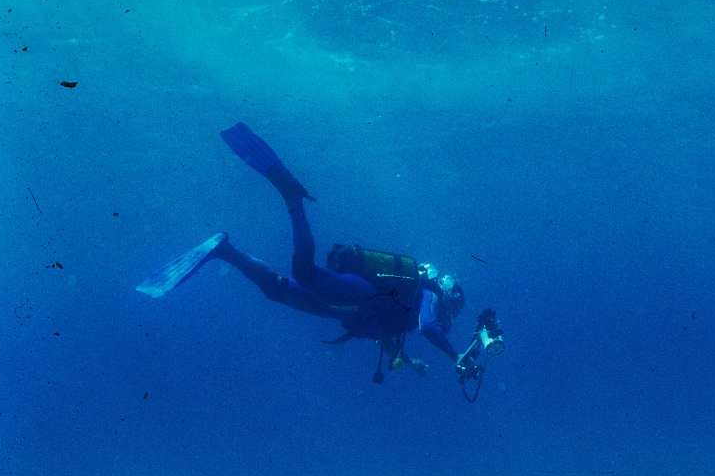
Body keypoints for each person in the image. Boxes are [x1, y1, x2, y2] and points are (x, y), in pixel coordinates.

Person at [137, 123, 467, 383]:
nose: (448, 312)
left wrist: (407, 361)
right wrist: (457, 358)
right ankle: (293, 200)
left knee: (279, 290)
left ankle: (224, 250)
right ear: (447, 297)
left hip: (348, 310)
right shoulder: (429, 298)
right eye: (452, 305)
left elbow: (383, 332)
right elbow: (429, 328)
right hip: (361, 297)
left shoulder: (413, 308)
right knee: (304, 273)